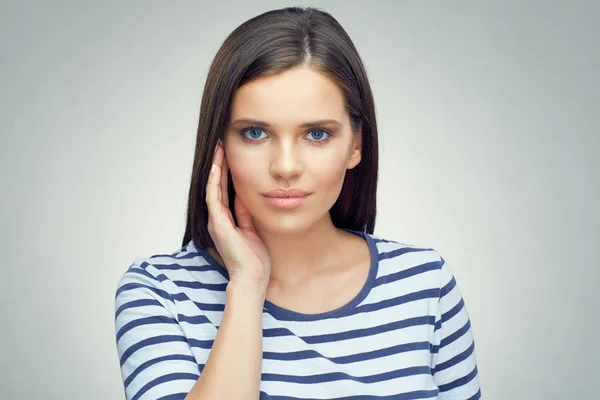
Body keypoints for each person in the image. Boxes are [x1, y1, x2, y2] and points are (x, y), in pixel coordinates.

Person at [114, 6, 481, 400]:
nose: (285, 167)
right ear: (219, 143)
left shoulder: (425, 284)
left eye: (317, 134)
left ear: (356, 144)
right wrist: (248, 285)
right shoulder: (159, 292)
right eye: (255, 133)